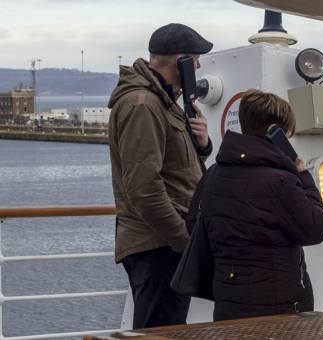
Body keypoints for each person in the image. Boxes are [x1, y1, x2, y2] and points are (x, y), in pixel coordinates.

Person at [186, 89, 323, 321]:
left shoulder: (213, 173)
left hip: (228, 303)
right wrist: (303, 174)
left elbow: (193, 225)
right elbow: (316, 229)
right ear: (275, 132)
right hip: (277, 309)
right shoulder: (281, 181)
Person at [107, 23, 213, 329]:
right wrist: (185, 242)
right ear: (181, 61)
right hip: (159, 245)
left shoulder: (163, 101)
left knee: (164, 330)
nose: (198, 65)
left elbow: (173, 167)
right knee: (159, 333)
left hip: (163, 243)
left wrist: (203, 144)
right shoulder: (144, 104)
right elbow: (143, 188)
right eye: (195, 59)